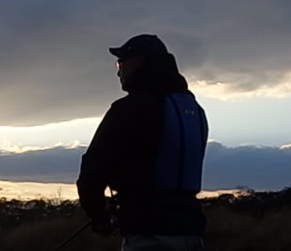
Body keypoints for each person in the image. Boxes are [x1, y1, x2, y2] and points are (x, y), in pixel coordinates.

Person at [77, 34, 208, 250]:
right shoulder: (195, 110)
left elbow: (92, 172)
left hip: (147, 236)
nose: (119, 71)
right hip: (192, 235)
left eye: (121, 62)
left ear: (139, 61)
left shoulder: (128, 108)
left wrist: (99, 218)